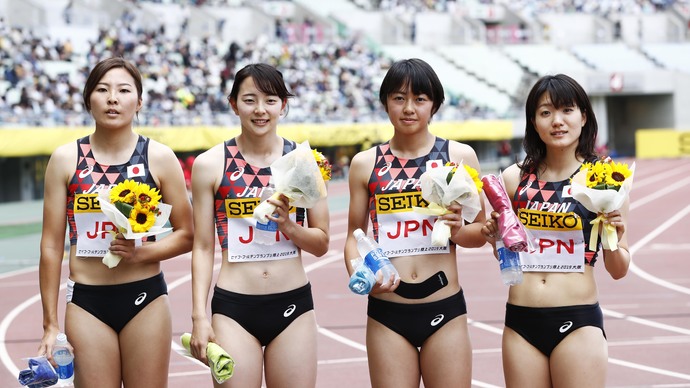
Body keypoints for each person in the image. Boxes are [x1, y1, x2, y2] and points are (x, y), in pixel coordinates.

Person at [38, 57, 194, 387]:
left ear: (138, 102)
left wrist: (141, 254)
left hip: (145, 300)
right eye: (102, 89)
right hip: (86, 303)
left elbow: (186, 234)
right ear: (88, 99)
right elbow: (52, 246)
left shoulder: (159, 157)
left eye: (124, 90)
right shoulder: (66, 160)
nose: (112, 98)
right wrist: (50, 325)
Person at [344, 58, 487, 387]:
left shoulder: (458, 157)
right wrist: (357, 270)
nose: (409, 108)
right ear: (385, 103)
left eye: (419, 99)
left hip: (444, 306)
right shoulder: (365, 164)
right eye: (399, 98)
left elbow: (478, 233)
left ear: (434, 104)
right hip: (387, 311)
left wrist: (458, 228)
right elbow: (354, 234)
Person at [481, 74, 631, 387]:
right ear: (533, 122)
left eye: (567, 110)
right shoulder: (513, 180)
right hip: (521, 322)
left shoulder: (603, 179)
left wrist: (613, 236)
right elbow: (504, 250)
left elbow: (618, 270)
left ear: (584, 116)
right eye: (546, 112)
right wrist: (495, 236)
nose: (557, 121)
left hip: (577, 321)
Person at [189, 63, 330, 388]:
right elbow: (203, 246)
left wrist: (289, 226)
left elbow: (322, 243)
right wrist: (199, 315)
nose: (260, 109)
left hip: (292, 303)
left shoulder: (306, 162)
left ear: (283, 104)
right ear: (234, 104)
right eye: (250, 99)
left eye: (270, 99)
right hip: (233, 307)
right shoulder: (210, 164)